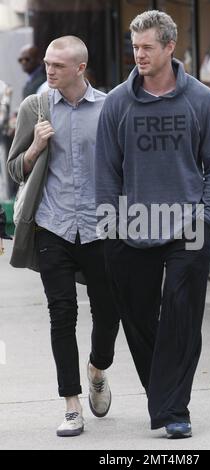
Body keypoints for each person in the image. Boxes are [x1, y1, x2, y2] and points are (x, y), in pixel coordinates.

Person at [95, 10, 210, 439]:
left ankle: (175, 410)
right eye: (134, 47)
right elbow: (106, 172)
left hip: (188, 225)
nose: (139, 55)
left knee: (181, 315)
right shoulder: (118, 101)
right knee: (138, 317)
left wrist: (208, 219)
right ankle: (166, 396)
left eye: (147, 47)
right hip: (131, 225)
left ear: (170, 47)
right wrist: (110, 228)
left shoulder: (202, 100)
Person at [8, 36, 119, 437]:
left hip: (100, 229)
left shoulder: (109, 108)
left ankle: (97, 367)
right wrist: (36, 146)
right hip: (52, 226)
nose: (48, 70)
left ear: (79, 69)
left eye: (57, 65)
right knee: (61, 314)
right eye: (48, 63)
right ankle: (72, 405)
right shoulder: (34, 108)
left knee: (109, 311)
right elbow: (14, 170)